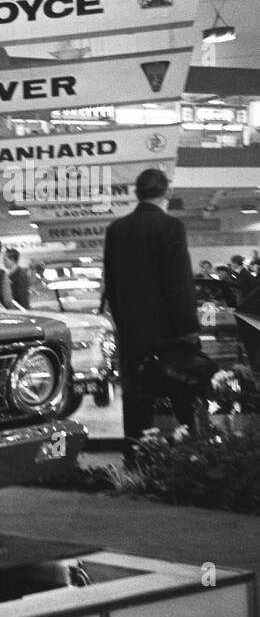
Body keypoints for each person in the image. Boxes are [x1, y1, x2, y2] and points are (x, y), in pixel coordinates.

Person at [102, 168, 199, 459]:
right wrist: (189, 329)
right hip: (170, 332)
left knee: (137, 399)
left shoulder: (116, 229)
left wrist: (122, 323)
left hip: (133, 332)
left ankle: (136, 460)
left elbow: (112, 284)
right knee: (182, 395)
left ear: (137, 193)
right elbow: (178, 282)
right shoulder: (171, 227)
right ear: (167, 192)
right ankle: (191, 457)